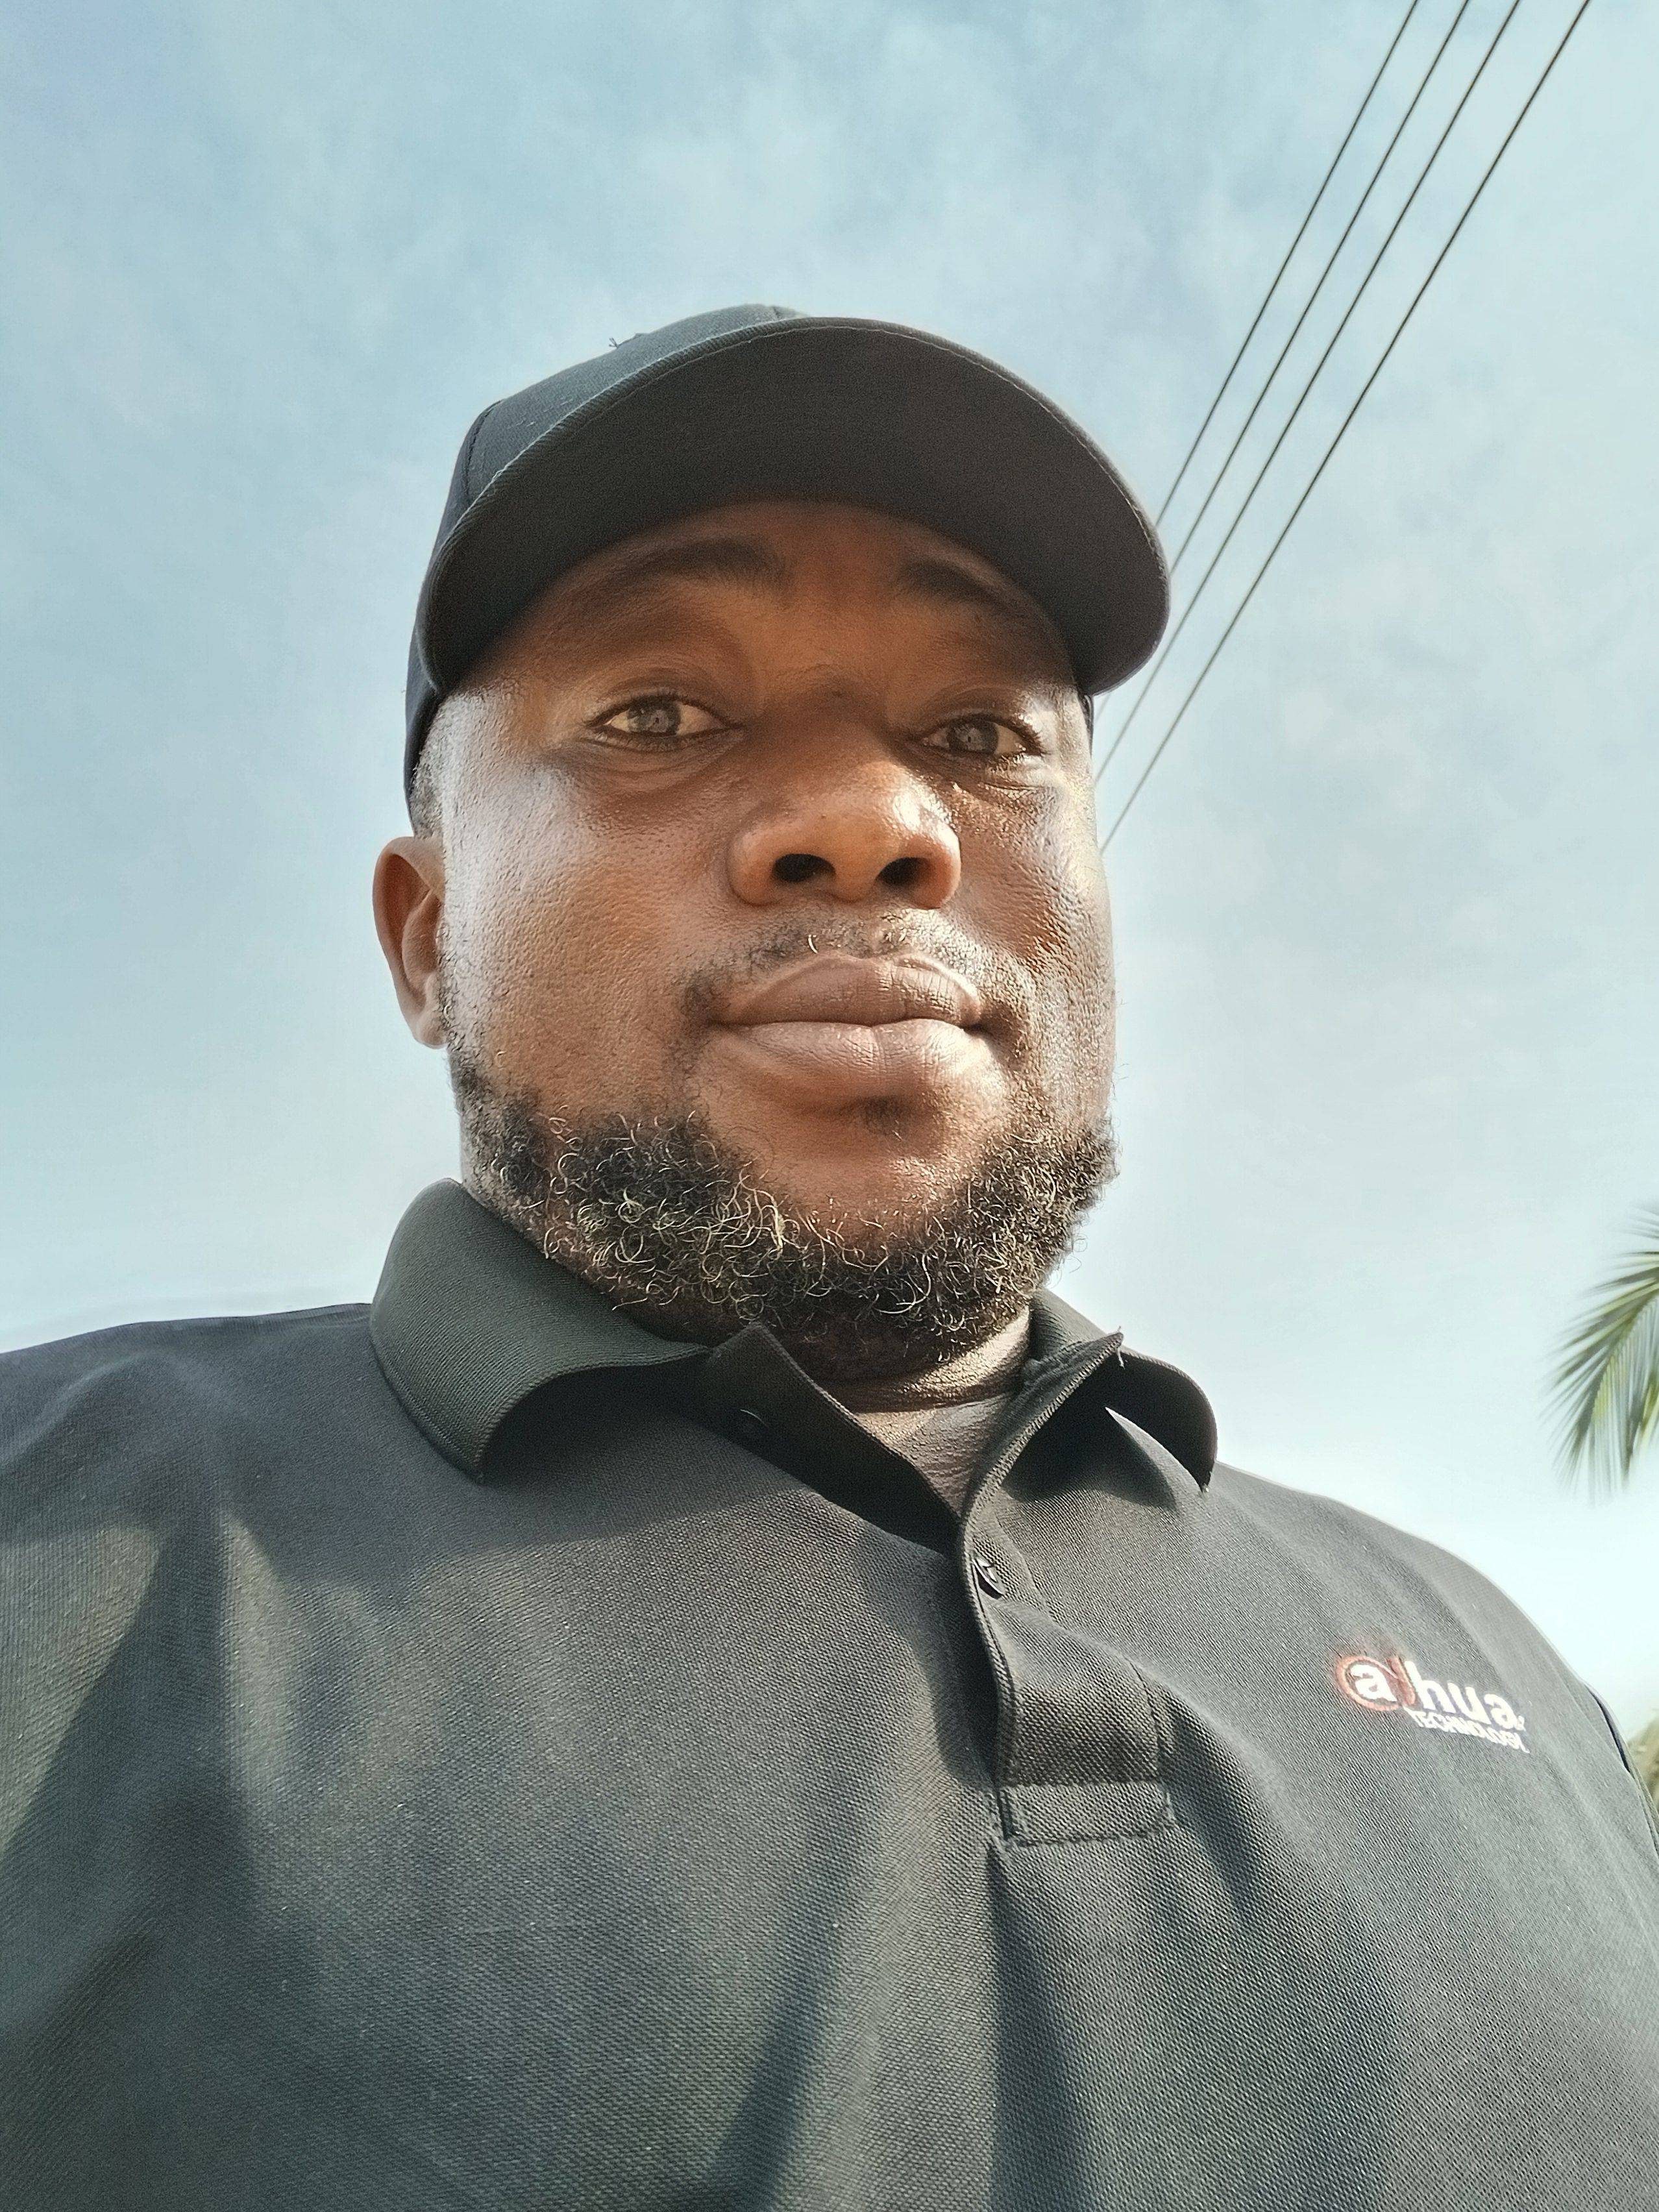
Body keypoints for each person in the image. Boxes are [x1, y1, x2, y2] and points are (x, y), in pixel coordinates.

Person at [2, 304, 1656, 2211]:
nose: (874, 823)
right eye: (659, 717)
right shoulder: (56, 1541)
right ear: (425, 934)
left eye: (980, 736)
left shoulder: (1501, 1669)